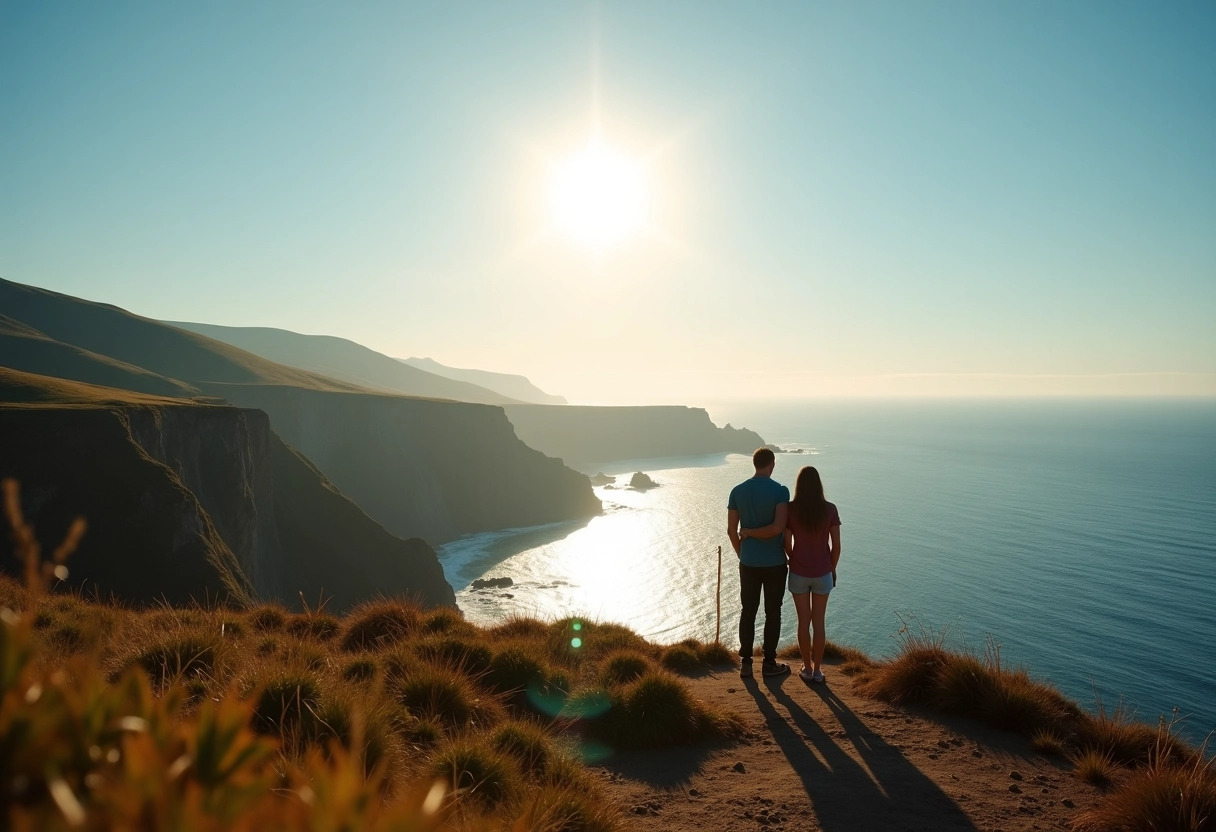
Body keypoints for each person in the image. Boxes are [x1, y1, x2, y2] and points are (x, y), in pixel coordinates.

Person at [727, 447, 790, 678]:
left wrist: (741, 552)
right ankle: (769, 663)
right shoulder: (780, 491)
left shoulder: (737, 491)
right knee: (773, 612)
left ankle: (745, 662)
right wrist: (753, 532)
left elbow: (731, 530)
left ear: (754, 464)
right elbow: (777, 528)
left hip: (749, 562)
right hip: (774, 563)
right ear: (772, 464)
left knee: (748, 610)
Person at [780, 465, 841, 684]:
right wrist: (831, 568)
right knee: (819, 623)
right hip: (823, 572)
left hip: (798, 572)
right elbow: (836, 547)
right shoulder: (830, 509)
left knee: (803, 622)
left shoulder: (791, 509)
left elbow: (787, 542)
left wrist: (792, 557)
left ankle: (805, 667)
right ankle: (817, 671)